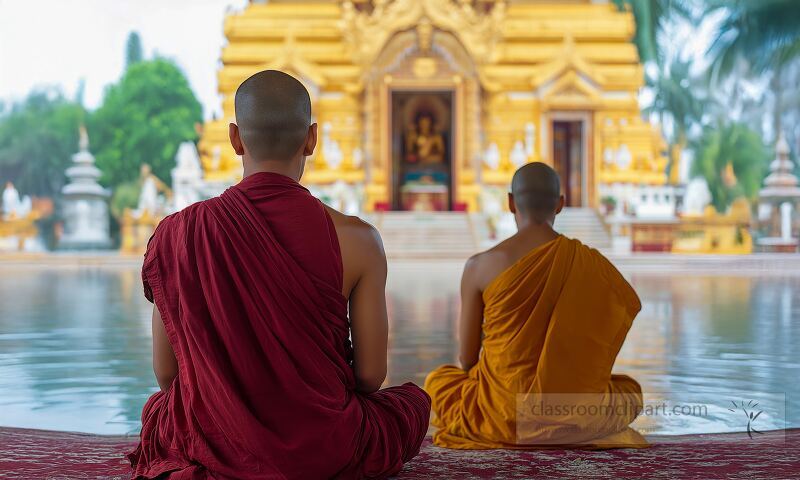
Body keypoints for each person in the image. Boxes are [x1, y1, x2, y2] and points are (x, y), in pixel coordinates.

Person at [128, 70, 431, 479]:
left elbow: (167, 376)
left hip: (212, 439)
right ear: (312, 139)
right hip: (325, 448)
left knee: (159, 411)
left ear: (235, 139)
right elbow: (370, 377)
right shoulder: (359, 240)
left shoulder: (178, 233)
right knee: (413, 404)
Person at [425, 162, 646, 449]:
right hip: (572, 413)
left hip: (502, 416)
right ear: (560, 205)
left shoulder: (479, 266)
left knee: (439, 381)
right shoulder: (590, 265)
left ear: (510, 202)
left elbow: (467, 360)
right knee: (630, 392)